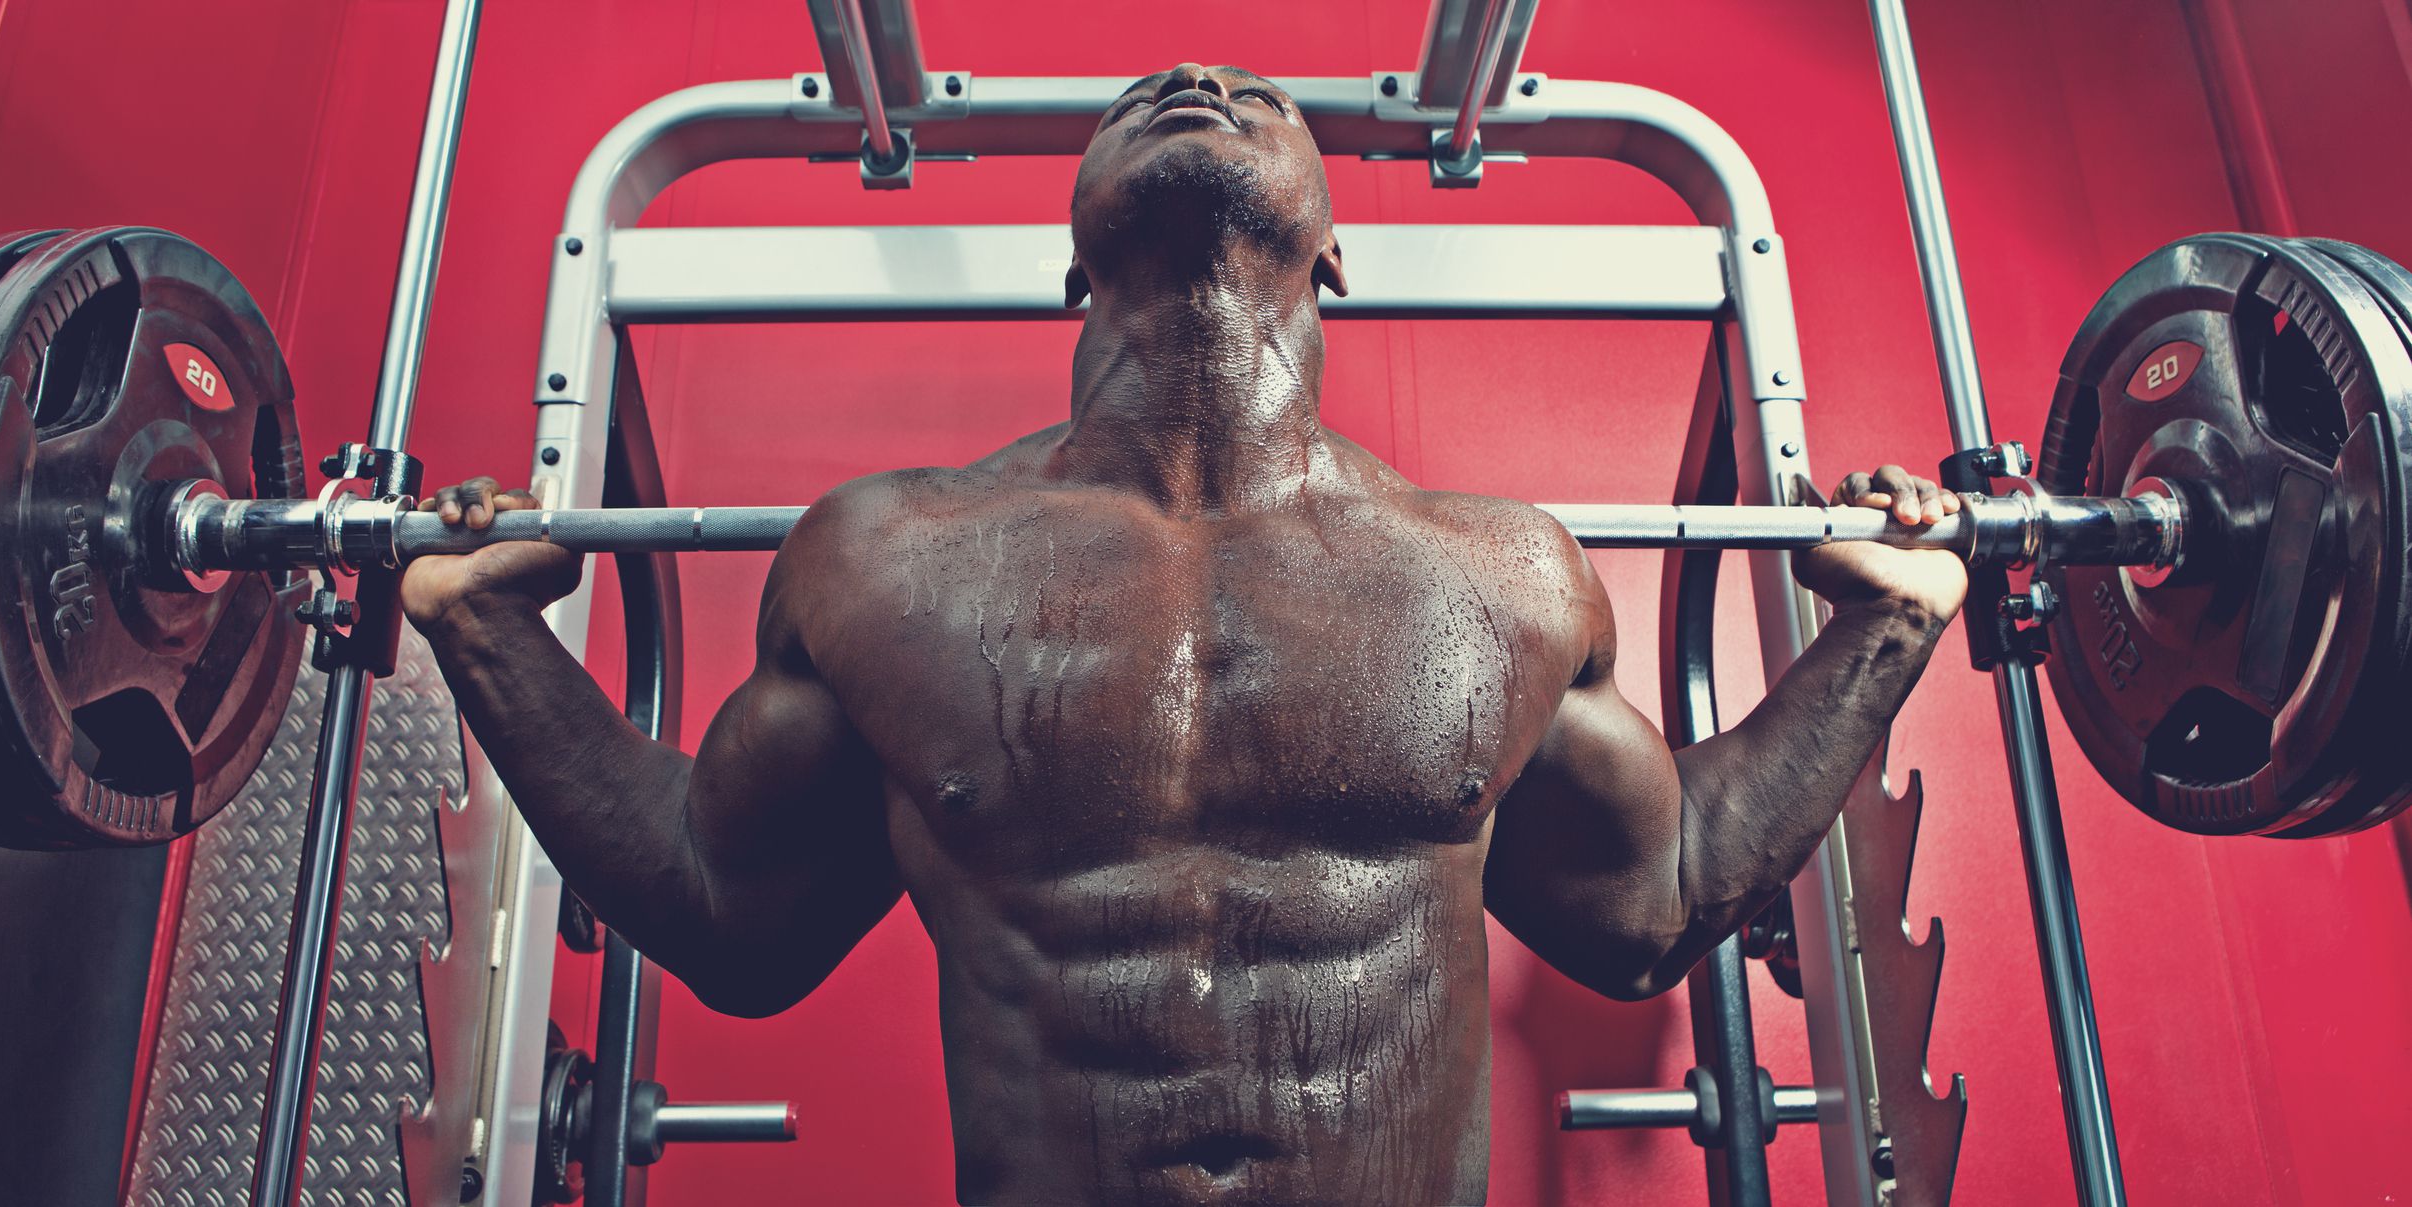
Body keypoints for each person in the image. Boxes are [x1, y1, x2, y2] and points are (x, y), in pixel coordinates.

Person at [401, 63, 1965, 1206]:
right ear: (1072, 262)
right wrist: (482, 627)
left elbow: (1654, 902)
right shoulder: (888, 564)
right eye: (1138, 97)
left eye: (1259, 98)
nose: (1196, 80)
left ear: (1337, 255)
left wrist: (1886, 625)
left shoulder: (1500, 578)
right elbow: (726, 916)